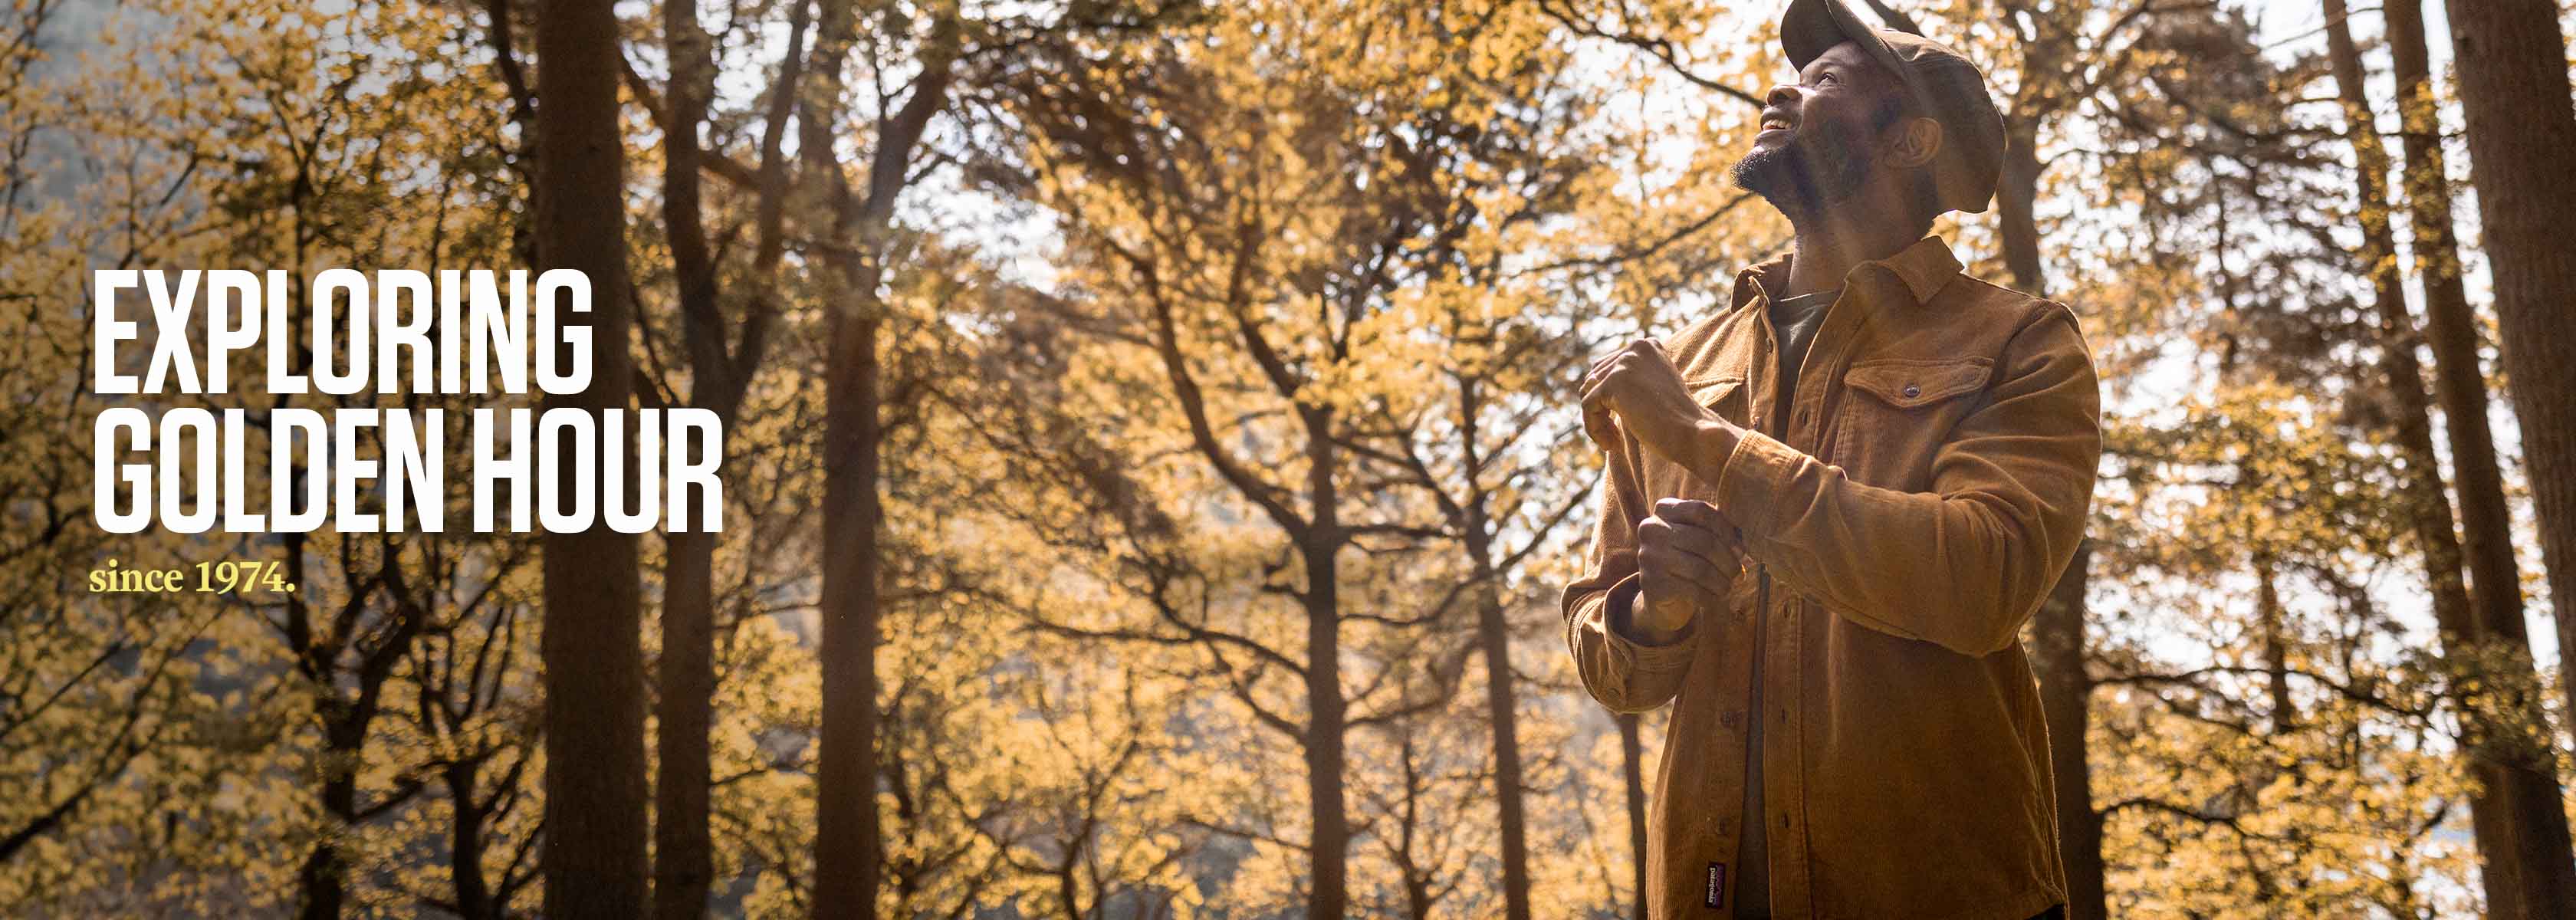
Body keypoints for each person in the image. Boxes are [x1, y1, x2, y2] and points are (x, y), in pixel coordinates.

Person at [1562, 0, 2101, 916]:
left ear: (1910, 142)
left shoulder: (2022, 341)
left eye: (1828, 82)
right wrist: (1658, 611)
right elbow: (1612, 665)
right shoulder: (1685, 364)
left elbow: (1985, 578)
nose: (1780, 87)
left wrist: (1705, 444)